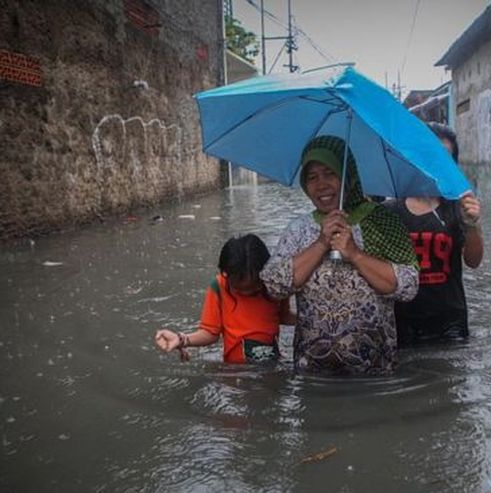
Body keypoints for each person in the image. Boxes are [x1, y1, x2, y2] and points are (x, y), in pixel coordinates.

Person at [260, 135, 419, 376]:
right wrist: (321, 243)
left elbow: (408, 287)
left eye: (330, 173)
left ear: (349, 176)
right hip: (312, 374)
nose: (321, 184)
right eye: (312, 177)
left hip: (374, 373)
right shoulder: (299, 229)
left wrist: (355, 254)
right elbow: (274, 286)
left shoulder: (380, 222)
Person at [384, 122, 484, 345]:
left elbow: (473, 261)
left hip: (450, 321)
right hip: (402, 320)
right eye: (428, 156)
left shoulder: (459, 208)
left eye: (443, 159)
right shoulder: (390, 211)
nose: (434, 165)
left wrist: (472, 224)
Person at [154, 233, 294, 364]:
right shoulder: (219, 287)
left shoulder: (275, 285)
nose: (247, 292)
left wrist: (313, 321)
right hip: (235, 370)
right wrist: (182, 340)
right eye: (239, 288)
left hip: (272, 366)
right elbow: (210, 332)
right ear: (226, 274)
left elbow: (283, 316)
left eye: (254, 287)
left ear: (265, 273)